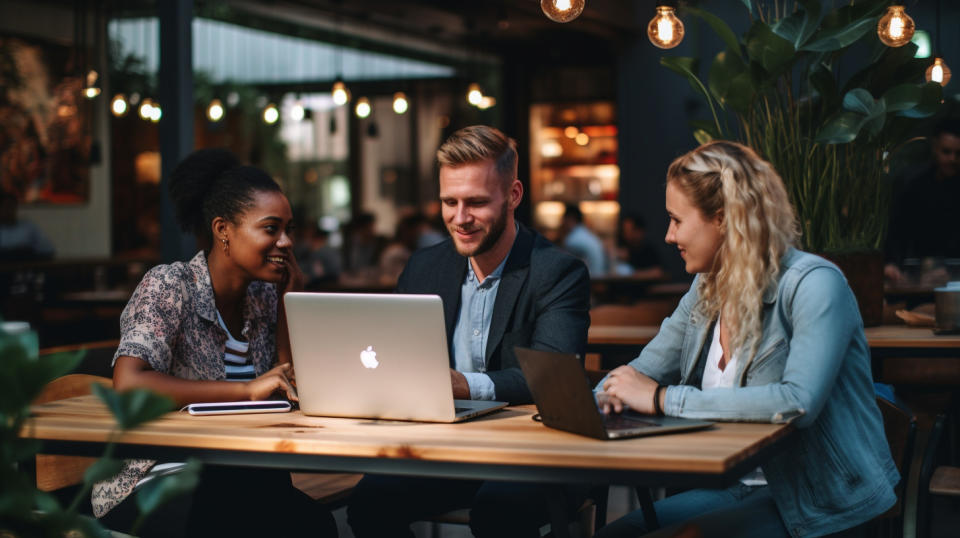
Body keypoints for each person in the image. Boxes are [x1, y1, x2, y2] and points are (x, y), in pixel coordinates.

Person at [595, 141, 898, 538]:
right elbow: (642, 370)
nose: (669, 236)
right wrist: (603, 394)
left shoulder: (815, 283)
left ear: (722, 219)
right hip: (736, 486)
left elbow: (797, 402)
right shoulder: (705, 288)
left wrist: (661, 398)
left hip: (821, 499)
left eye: (676, 220)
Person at [346, 126, 591, 538]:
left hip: (536, 453)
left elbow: (553, 378)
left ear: (513, 195)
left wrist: (464, 384)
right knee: (370, 503)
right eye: (449, 202)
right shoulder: (424, 268)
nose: (459, 218)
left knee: (499, 512)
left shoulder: (557, 272)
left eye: (476, 202)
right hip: (447, 450)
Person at [92, 149, 336, 537]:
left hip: (236, 472)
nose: (287, 242)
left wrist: (292, 302)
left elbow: (292, 389)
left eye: (288, 229)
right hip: (157, 476)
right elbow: (130, 384)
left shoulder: (264, 296)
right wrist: (246, 390)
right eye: (271, 228)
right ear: (223, 229)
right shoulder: (170, 285)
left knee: (313, 524)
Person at [885, 118, 960, 282]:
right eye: (946, 152)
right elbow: (897, 230)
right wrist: (892, 264)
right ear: (935, 148)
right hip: (915, 276)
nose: (952, 159)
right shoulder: (914, 184)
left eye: (958, 154)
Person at [0, 190, 55, 260]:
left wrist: (26, 252)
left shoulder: (28, 227)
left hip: (25, 267)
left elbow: (48, 249)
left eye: (11, 207)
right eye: (4, 207)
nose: (8, 211)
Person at [561, 203, 608, 276]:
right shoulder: (586, 233)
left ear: (570, 219)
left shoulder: (572, 239)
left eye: (563, 219)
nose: (562, 223)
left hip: (592, 280)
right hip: (600, 276)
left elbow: (564, 264)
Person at [615, 214, 666, 279]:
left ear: (640, 231)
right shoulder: (621, 247)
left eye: (630, 230)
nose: (627, 234)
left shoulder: (648, 250)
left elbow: (658, 272)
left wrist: (632, 274)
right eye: (625, 230)